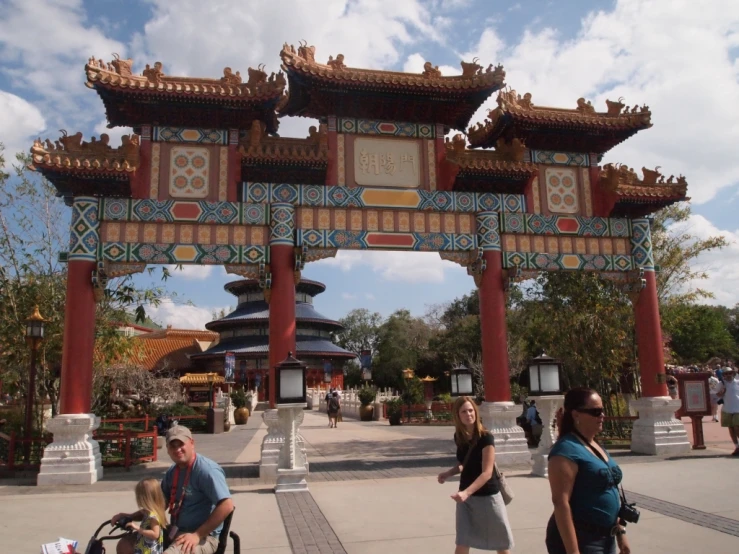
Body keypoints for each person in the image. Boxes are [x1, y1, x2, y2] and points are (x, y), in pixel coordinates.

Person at [113, 425, 233, 554]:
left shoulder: (207, 470)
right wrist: (130, 516)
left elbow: (227, 505)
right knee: (125, 545)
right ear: (168, 450)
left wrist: (197, 535)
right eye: (173, 446)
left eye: (181, 444)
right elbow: (159, 505)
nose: (177, 450)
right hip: (174, 530)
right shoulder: (172, 472)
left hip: (202, 536)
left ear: (192, 443)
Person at [546, 388, 631, 554]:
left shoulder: (594, 444)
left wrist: (621, 534)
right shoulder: (565, 450)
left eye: (602, 410)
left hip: (607, 538)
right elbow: (560, 503)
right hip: (582, 539)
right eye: (595, 411)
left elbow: (611, 490)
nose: (602, 416)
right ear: (576, 414)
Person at [437, 396, 514, 554]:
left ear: (476, 412)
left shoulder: (486, 437)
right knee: (462, 541)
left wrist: (466, 492)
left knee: (501, 543)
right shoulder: (460, 437)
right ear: (458, 415)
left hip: (488, 497)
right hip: (466, 499)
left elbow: (486, 473)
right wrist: (448, 473)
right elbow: (464, 464)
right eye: (464, 411)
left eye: (471, 410)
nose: (468, 414)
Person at [125, 478, 167, 554]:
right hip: (144, 549)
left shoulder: (153, 516)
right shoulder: (147, 513)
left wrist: (137, 528)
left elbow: (155, 534)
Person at [717, 368, 739, 456]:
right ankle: (736, 446)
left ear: (733, 374)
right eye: (726, 374)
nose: (728, 375)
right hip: (727, 409)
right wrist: (721, 393)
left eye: (730, 373)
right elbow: (717, 395)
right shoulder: (721, 384)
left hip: (737, 408)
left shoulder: (737, 382)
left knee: (737, 427)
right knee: (731, 428)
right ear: (723, 375)